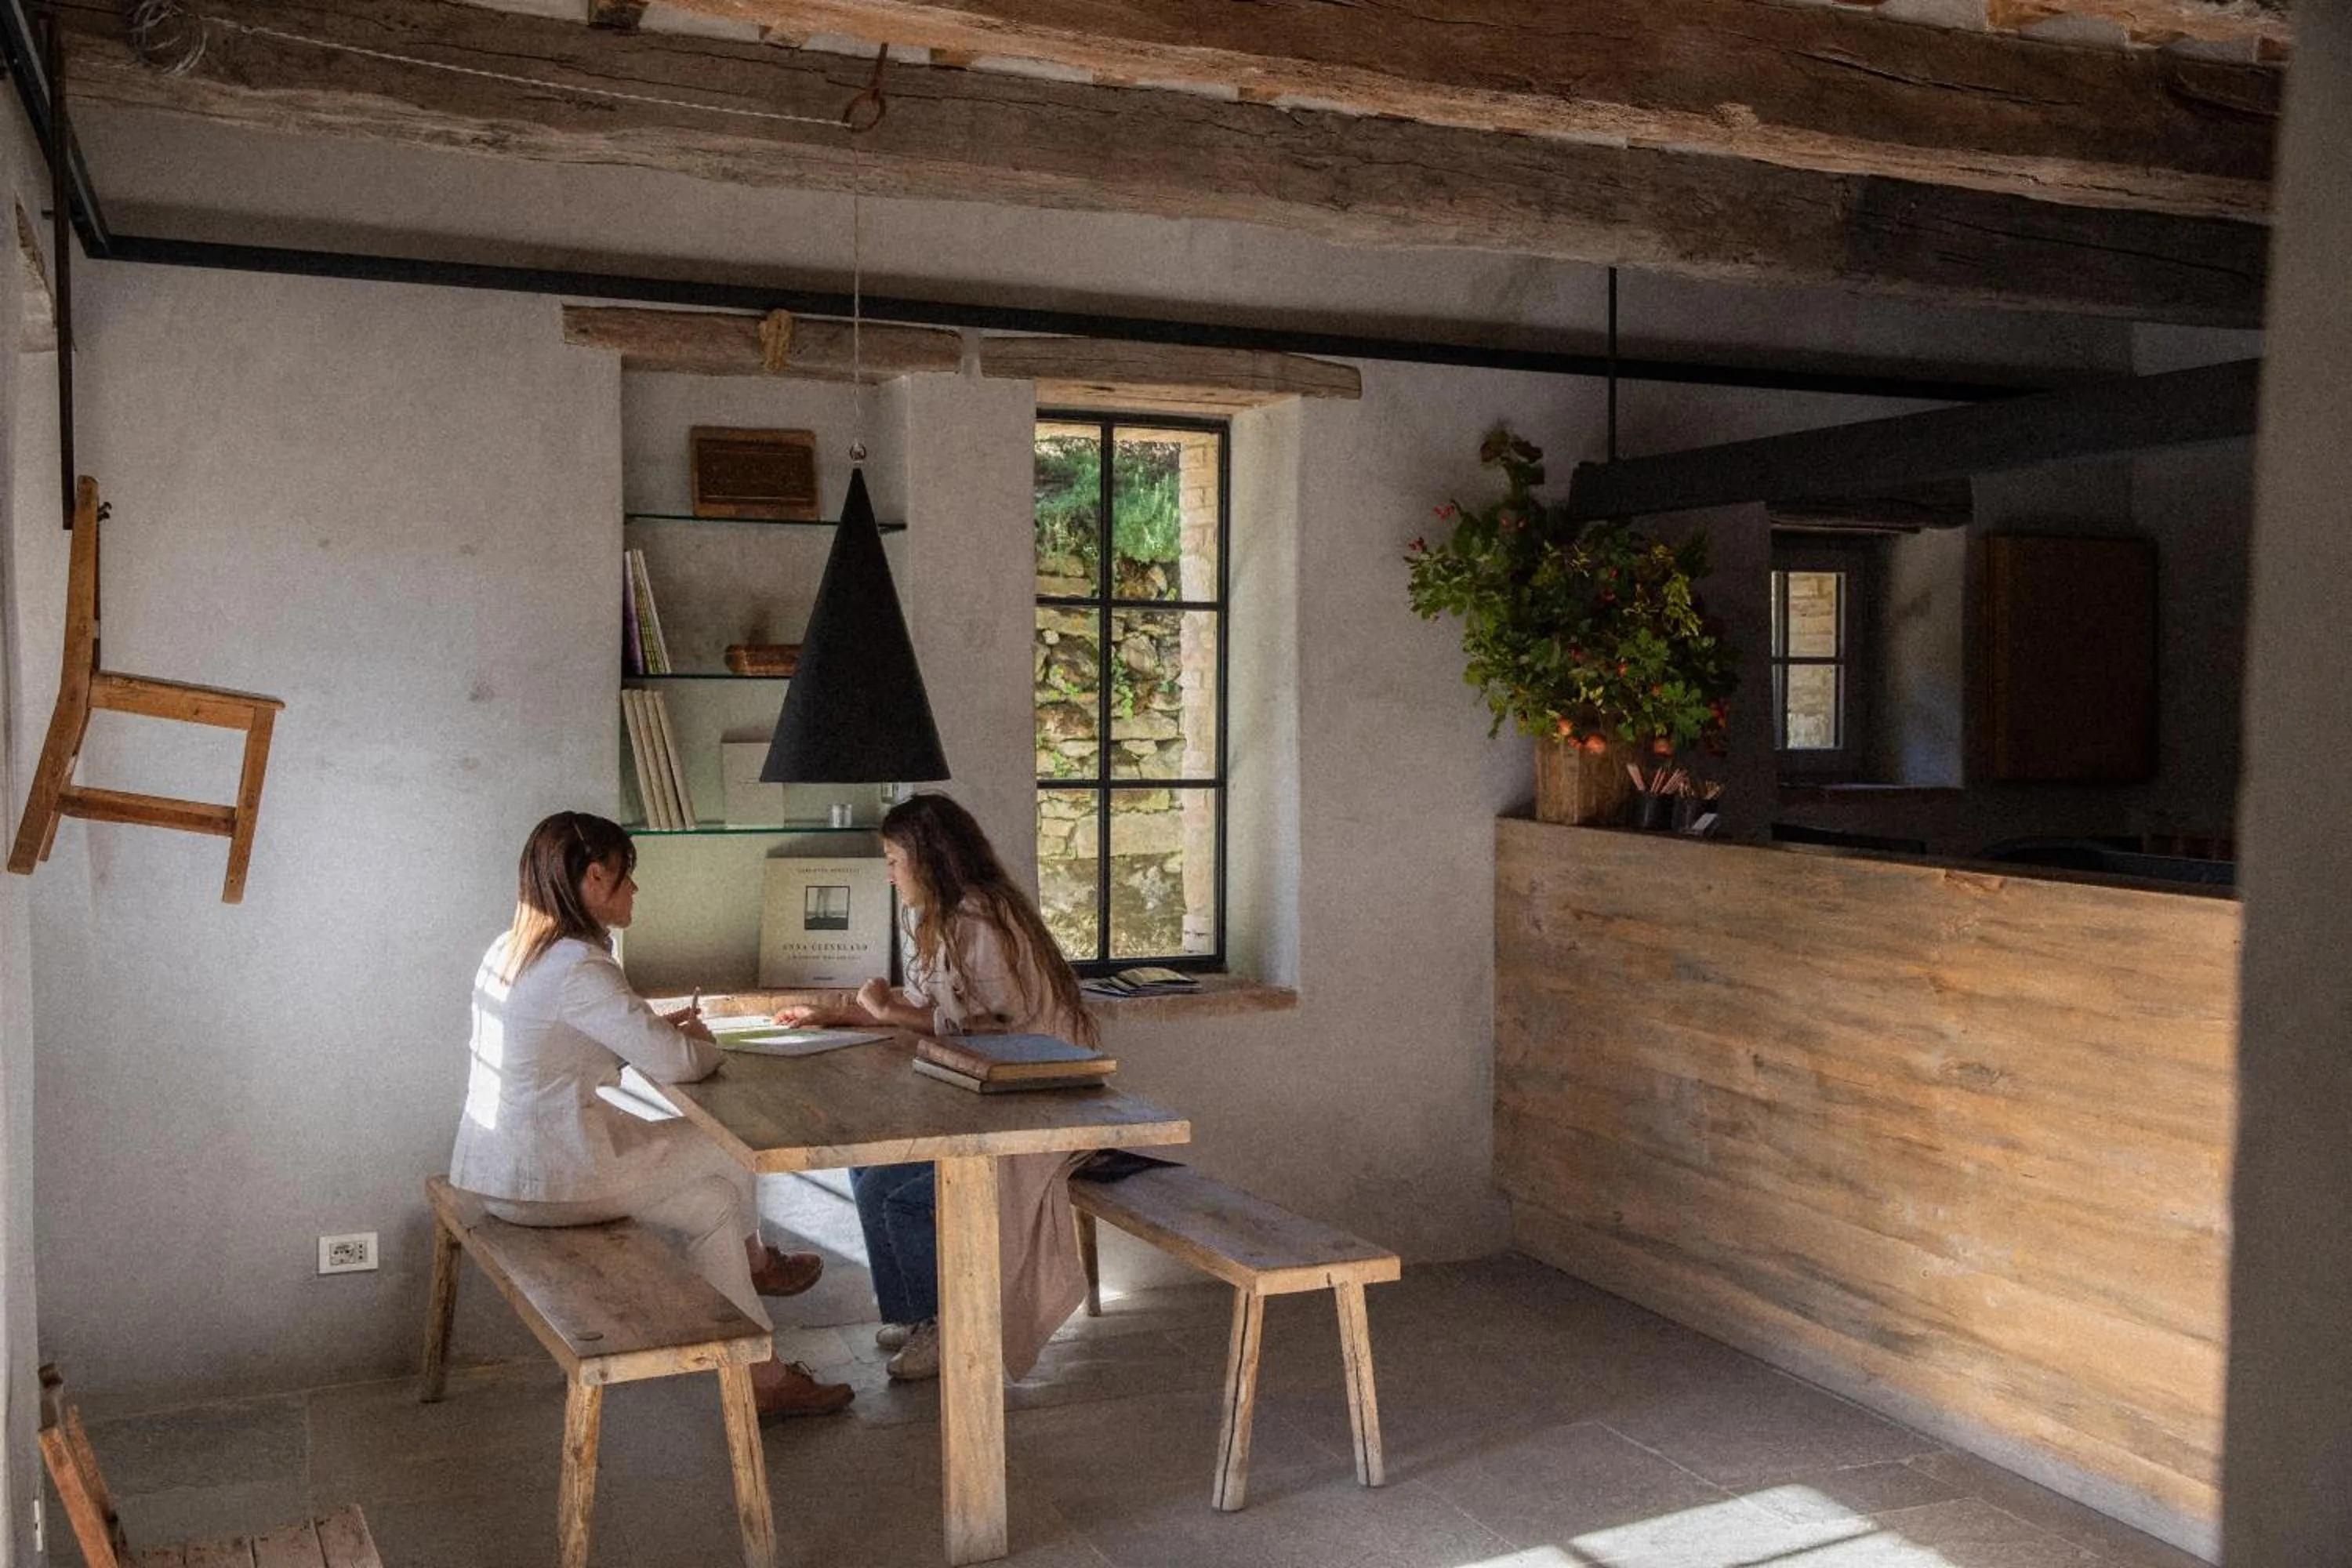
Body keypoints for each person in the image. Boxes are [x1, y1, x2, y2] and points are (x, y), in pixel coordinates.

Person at [448, 811, 853, 1419]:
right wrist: (704, 1044)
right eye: (627, 875)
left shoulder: (513, 949)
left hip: (500, 1171)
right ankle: (758, 1262)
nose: (635, 889)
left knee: (716, 1202)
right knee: (730, 1144)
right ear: (593, 878)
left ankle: (761, 1381)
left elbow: (565, 1044)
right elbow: (682, 1066)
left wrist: (655, 1030)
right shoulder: (579, 966)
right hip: (551, 1177)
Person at [775, 792, 1097, 1383]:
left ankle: (949, 1327)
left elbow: (988, 1022)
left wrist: (886, 1012)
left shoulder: (980, 918)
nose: (890, 873)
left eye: (895, 860)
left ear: (927, 858)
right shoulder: (947, 917)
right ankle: (915, 1314)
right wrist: (839, 1015)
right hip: (997, 1095)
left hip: (1037, 1106)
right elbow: (935, 1007)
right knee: (866, 1174)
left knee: (902, 1198)